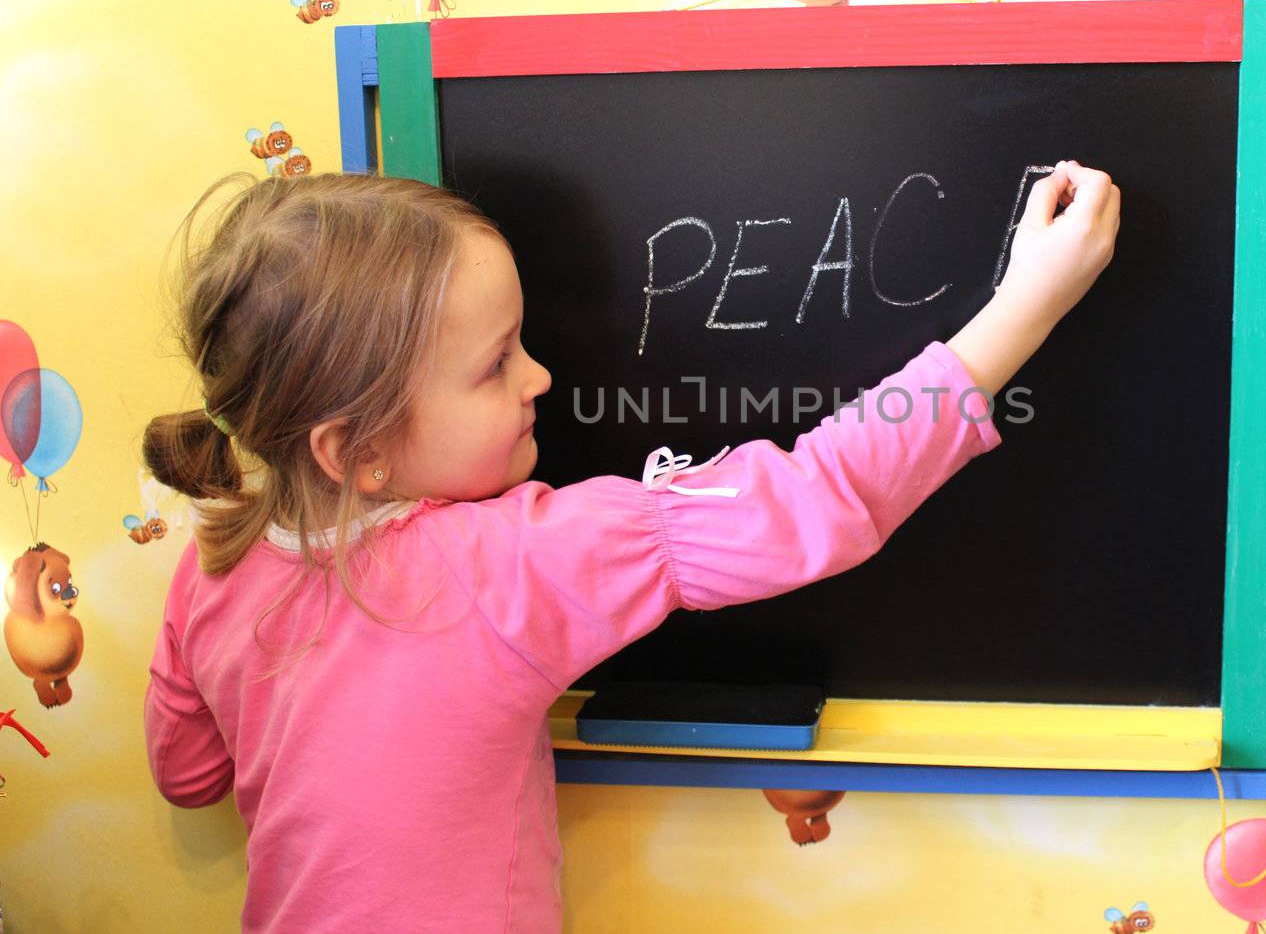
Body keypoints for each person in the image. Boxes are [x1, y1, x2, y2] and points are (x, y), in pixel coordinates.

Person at [142, 161, 1120, 932]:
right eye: (494, 364)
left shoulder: (215, 560)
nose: (541, 372)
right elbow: (820, 492)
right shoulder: (512, 565)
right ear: (353, 449)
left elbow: (185, 772)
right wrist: (1022, 306)